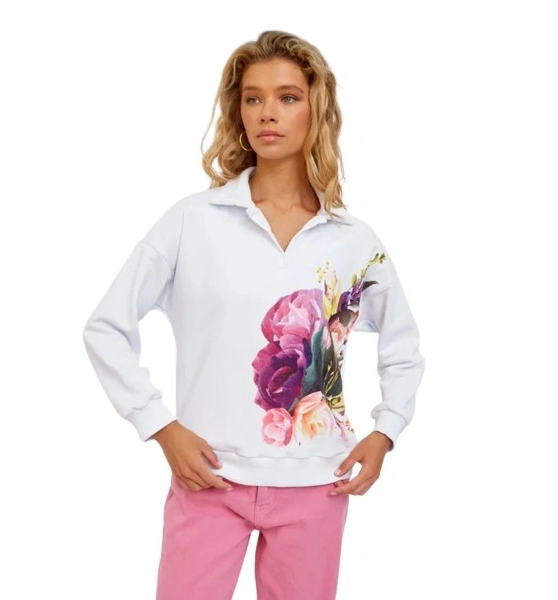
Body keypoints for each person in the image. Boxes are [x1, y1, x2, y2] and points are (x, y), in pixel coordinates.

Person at [82, 30, 426, 600]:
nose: (268, 112)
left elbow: (403, 347)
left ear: (317, 109)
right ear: (237, 111)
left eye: (288, 97)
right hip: (208, 478)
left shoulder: (352, 240)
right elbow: (106, 327)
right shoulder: (193, 221)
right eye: (253, 98)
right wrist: (161, 427)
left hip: (318, 484)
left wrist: (386, 430)